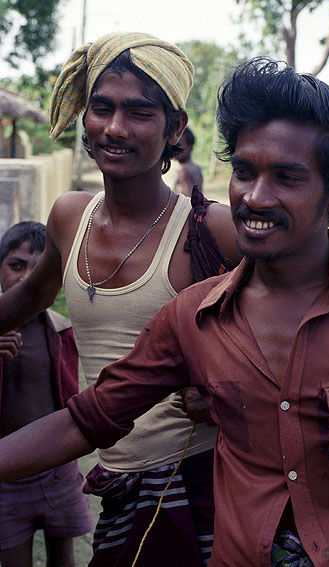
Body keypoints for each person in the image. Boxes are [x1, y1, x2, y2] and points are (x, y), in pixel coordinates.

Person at [0, 57, 329, 567]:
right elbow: (89, 420)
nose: (255, 197)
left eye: (287, 177)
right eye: (244, 172)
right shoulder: (191, 317)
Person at [0, 32, 239, 567]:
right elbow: (27, 300)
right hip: (114, 479)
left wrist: (230, 393)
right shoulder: (68, 216)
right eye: (101, 108)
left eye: (139, 112)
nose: (114, 127)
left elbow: (291, 325)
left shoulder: (208, 231)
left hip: (194, 481)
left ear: (175, 128)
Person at [0, 222, 93, 567]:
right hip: (5, 477)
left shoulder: (64, 329)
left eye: (38, 270)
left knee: (63, 558)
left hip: (58, 471)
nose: (26, 278)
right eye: (16, 265)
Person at [173, 126, 203, 197]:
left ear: (190, 146)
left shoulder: (183, 171)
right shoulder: (196, 168)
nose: (175, 149)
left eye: (179, 145)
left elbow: (190, 200)